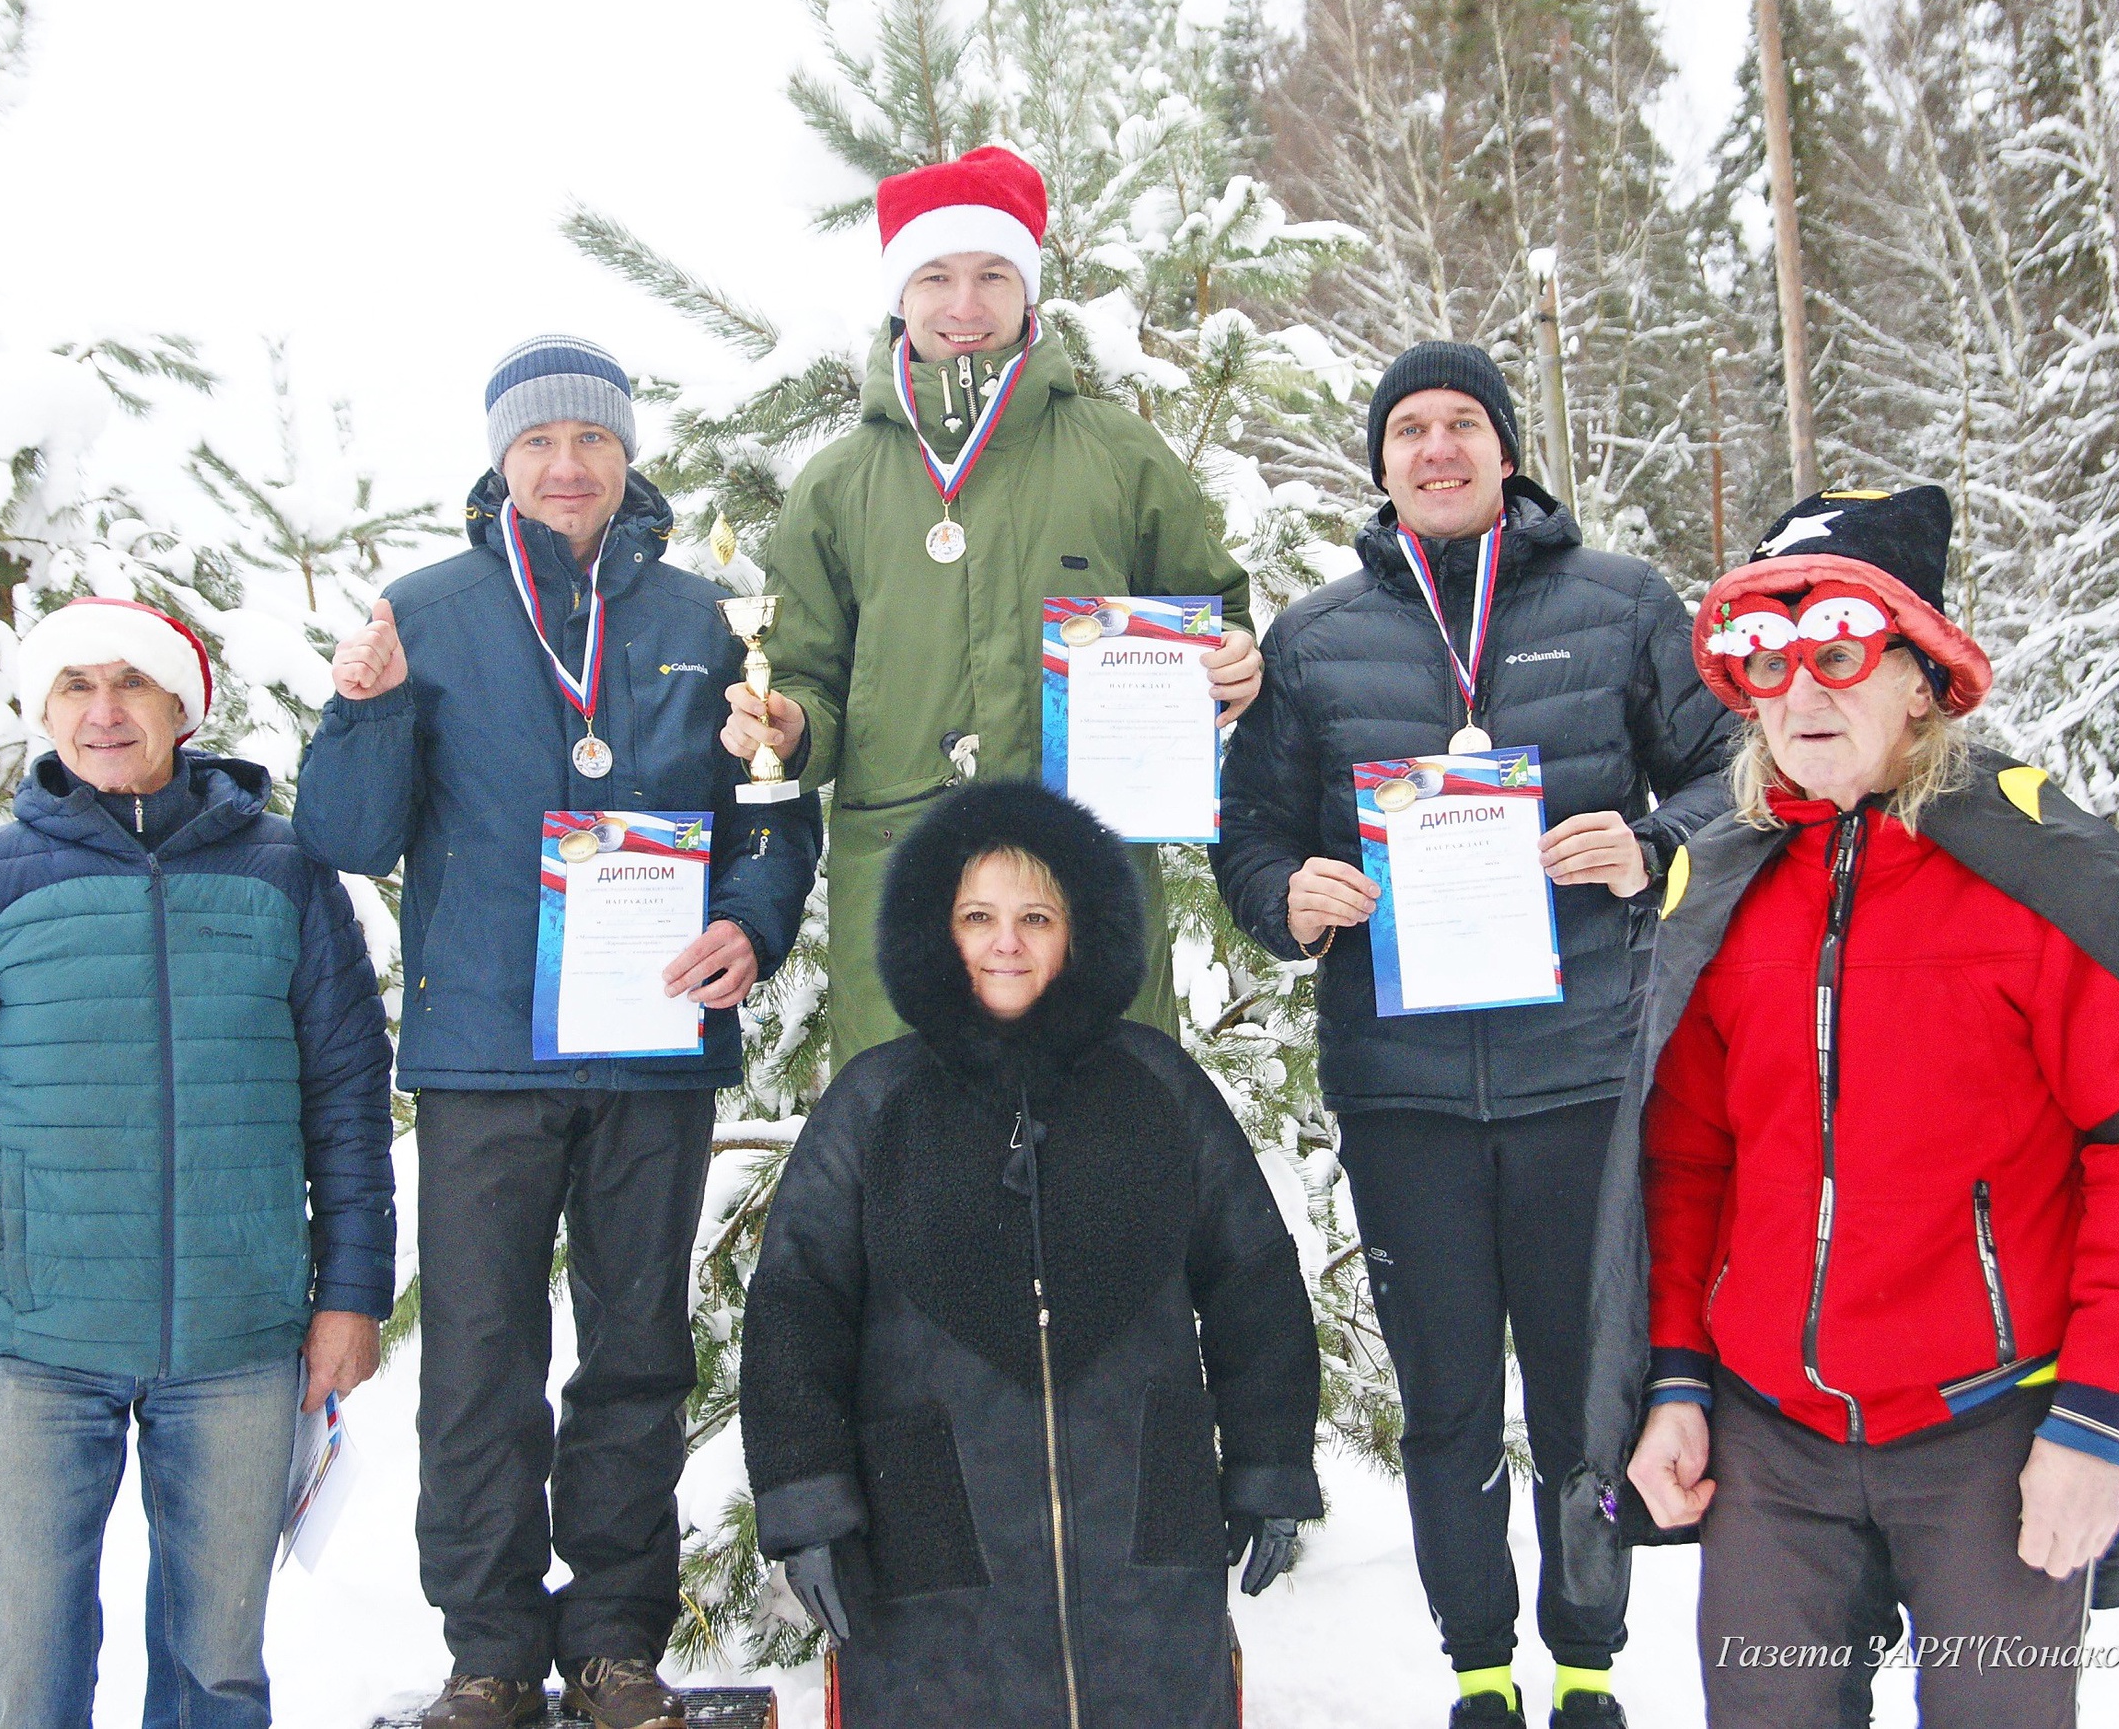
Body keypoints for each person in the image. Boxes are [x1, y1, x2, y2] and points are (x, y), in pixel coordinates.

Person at [1576, 486, 2119, 1726]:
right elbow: (1686, 1163)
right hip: (1769, 1442)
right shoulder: (1726, 883)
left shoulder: (2035, 877)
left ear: (1922, 676)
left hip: (1992, 1433)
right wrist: (1679, 1380)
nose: (1800, 696)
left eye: (1839, 654)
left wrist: (2099, 1422)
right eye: (1764, 662)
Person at [294, 336, 820, 1729]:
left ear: (626, 454)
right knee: (479, 1353)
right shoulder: (428, 609)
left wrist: (752, 926)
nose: (567, 465)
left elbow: (770, 818)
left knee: (639, 1347)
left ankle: (615, 1645)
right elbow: (346, 837)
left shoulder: (710, 619)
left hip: (650, 1040)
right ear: (500, 458)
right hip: (485, 1050)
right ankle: (486, 1650)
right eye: (539, 443)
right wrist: (359, 710)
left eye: (591, 439)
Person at [1209, 342, 1733, 1728]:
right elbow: (1251, 838)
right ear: (1378, 464)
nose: (1437, 450)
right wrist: (1291, 897)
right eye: (1409, 431)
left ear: (1506, 450)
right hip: (1406, 1092)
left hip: (1580, 1074)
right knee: (1445, 1401)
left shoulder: (1620, 607)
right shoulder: (1315, 643)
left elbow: (1734, 781)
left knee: (1579, 1398)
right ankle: (1481, 1668)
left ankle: (1588, 1662)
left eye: (1462, 426)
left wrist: (1647, 844)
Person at [0, 597, 396, 1729]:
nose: (103, 712)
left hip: (238, 1342)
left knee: (217, 1671)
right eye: (73, 687)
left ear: (182, 707)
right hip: (29, 1347)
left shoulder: (285, 876)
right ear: (43, 710)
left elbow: (345, 1103)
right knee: (26, 1673)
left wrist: (349, 1294)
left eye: (132, 684)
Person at [738, 781, 1323, 1727]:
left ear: (1077, 931)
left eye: (1035, 916)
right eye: (978, 916)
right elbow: (796, 1304)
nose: (1006, 942)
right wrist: (804, 1499)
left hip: (1147, 1556)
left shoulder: (1157, 1085)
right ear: (939, 930)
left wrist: (1269, 1463)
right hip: (930, 1562)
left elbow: (1253, 1274)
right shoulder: (875, 1102)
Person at [719, 144, 1263, 1068]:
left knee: (1104, 1150)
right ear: (900, 293)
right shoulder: (838, 483)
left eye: (991, 274)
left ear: (1028, 290)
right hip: (903, 876)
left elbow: (1212, 612)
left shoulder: (1118, 454)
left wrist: (1233, 664)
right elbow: (808, 675)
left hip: (1085, 871)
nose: (963, 305)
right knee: (916, 1160)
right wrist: (790, 723)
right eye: (935, 276)